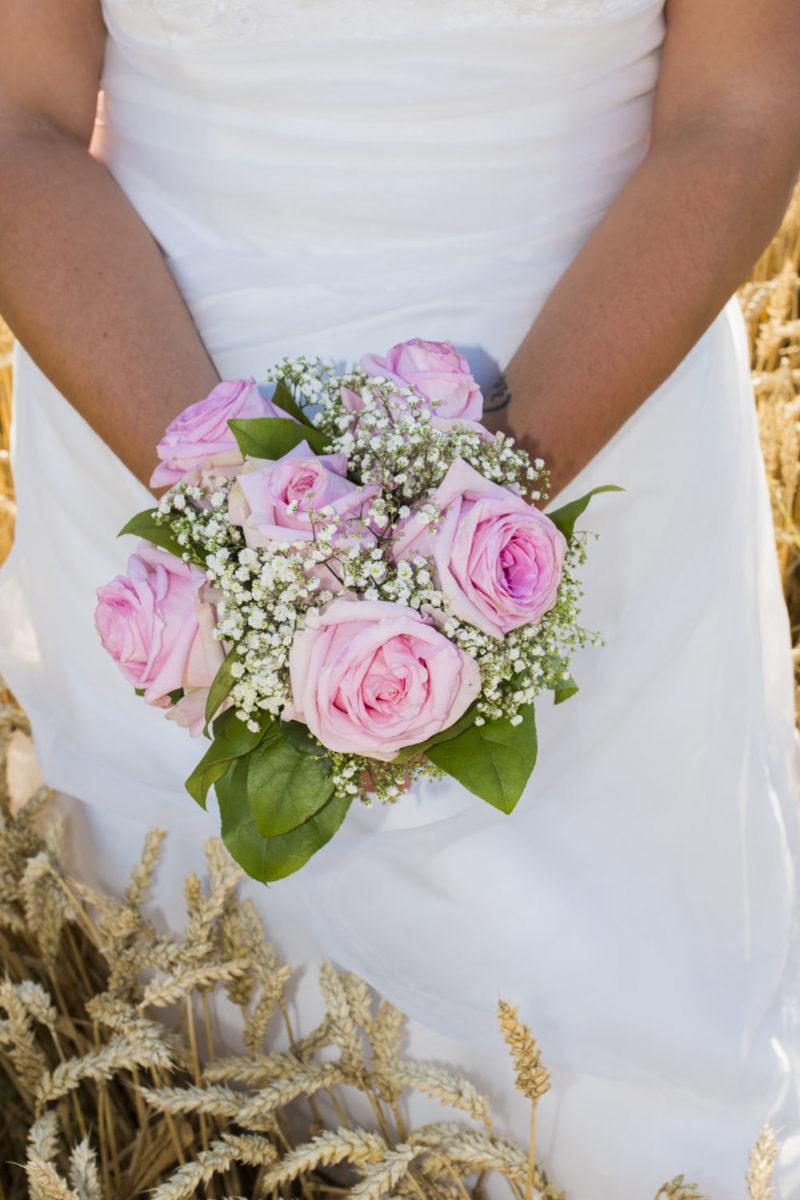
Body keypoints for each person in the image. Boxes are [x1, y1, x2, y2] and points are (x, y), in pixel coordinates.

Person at [1, 0, 799, 1195]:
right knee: (179, 1053)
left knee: (624, 1094)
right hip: (154, 411)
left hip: (594, 425)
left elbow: (736, 106)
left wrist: (474, 525)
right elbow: (20, 111)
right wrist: (231, 508)